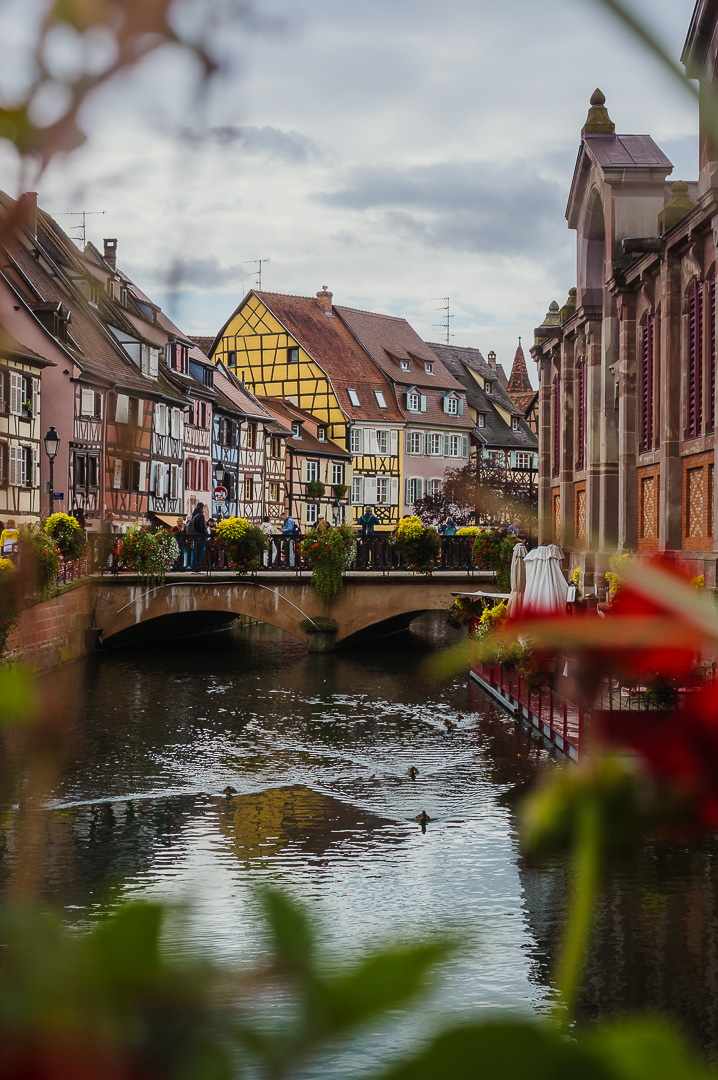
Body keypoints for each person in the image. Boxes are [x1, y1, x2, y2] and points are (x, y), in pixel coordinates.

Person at [186, 502, 209, 570]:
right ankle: (197, 567)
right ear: (201, 508)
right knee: (200, 552)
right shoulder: (201, 515)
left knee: (195, 551)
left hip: (195, 535)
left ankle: (193, 565)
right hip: (200, 536)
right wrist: (206, 533)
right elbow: (202, 527)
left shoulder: (194, 515)